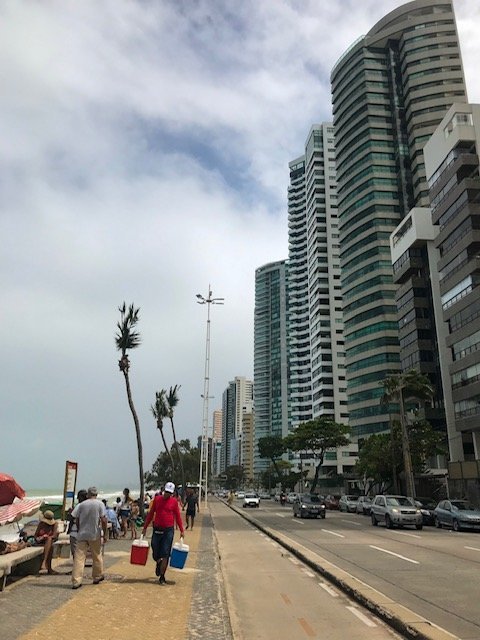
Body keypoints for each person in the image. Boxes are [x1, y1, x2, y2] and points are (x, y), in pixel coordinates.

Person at [142, 481, 184, 585]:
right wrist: (145, 527)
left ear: (172, 493)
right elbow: (151, 514)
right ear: (163, 491)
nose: (167, 494)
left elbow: (178, 516)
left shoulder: (174, 502)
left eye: (169, 493)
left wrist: (182, 530)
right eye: (166, 492)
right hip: (157, 528)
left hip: (168, 530)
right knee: (155, 549)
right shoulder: (157, 500)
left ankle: (162, 576)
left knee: (165, 553)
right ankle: (158, 562)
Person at [71, 486, 108, 590]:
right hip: (94, 533)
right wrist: (104, 534)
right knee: (97, 555)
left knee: (79, 558)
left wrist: (79, 530)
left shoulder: (81, 505)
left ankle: (76, 581)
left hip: (82, 534)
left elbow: (76, 519)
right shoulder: (100, 504)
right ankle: (97, 576)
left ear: (88, 494)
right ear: (96, 495)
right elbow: (104, 520)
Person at [33, 510, 59, 574]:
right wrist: (41, 537)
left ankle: (44, 562)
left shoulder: (55, 524)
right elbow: (35, 535)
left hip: (49, 541)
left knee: (50, 542)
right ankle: (48, 567)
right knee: (50, 545)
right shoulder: (41, 524)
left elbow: (54, 535)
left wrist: (47, 536)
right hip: (41, 541)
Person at [67, 489, 88, 558]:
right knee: (82, 552)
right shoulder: (89, 506)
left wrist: (70, 513)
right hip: (86, 532)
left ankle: (77, 567)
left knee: (75, 552)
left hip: (75, 532)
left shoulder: (79, 506)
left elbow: (72, 518)